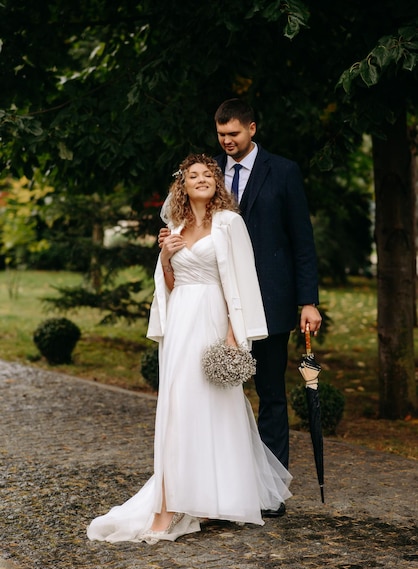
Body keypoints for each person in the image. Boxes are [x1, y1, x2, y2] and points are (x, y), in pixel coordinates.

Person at [87, 154, 292, 545]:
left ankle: (214, 498)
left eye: (208, 174)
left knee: (215, 408)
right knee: (178, 408)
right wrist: (166, 255)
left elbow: (244, 283)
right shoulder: (174, 226)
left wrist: (235, 339)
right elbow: (168, 284)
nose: (201, 180)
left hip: (214, 322)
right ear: (183, 185)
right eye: (193, 176)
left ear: (217, 182)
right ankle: (170, 501)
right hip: (182, 323)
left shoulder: (230, 224)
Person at [160, 101, 322, 518]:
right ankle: (216, 485)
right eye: (221, 135)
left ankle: (268, 492)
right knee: (216, 395)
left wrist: (308, 301)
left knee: (270, 392)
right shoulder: (206, 174)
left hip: (269, 303)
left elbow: (302, 241)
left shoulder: (283, 171)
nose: (227, 142)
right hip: (212, 304)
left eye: (234, 133)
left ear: (252, 128)